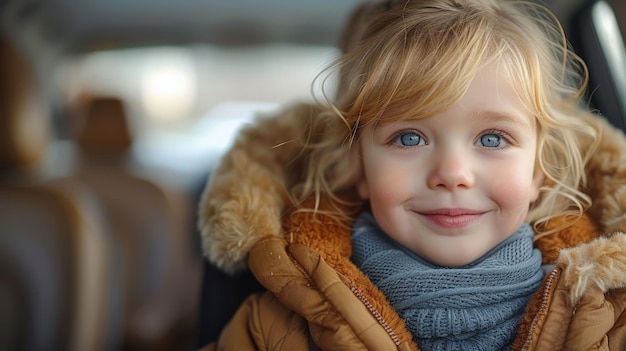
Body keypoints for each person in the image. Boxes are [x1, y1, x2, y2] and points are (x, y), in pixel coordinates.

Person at [198, 0, 626, 350]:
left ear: (538, 172)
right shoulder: (276, 322)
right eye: (408, 138)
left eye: (493, 139)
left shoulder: (606, 311)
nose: (452, 174)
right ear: (359, 166)